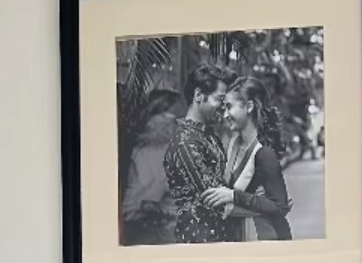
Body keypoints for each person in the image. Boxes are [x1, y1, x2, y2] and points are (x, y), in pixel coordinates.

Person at [202, 77, 293, 242]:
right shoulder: (233, 144)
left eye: (229, 107)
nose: (225, 115)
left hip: (265, 237)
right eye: (224, 108)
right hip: (240, 233)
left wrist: (234, 197)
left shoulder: (264, 152)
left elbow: (280, 206)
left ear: (249, 107)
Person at [162, 66, 231, 244]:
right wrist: (263, 204)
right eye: (220, 99)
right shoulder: (186, 143)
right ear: (199, 95)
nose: (225, 108)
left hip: (218, 237)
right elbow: (216, 199)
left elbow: (226, 184)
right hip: (199, 240)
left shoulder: (207, 136)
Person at [119, 90, 181, 245]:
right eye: (175, 120)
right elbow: (137, 202)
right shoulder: (137, 151)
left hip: (160, 224)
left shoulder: (172, 150)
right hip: (137, 226)